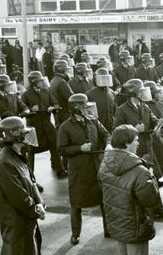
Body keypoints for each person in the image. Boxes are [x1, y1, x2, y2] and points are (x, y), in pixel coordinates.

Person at [98, 124, 161, 255]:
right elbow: (152, 201)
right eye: (136, 140)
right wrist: (151, 177)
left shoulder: (104, 164)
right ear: (127, 143)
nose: (138, 144)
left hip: (117, 224)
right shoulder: (139, 170)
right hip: (136, 227)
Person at [57, 93, 110, 245]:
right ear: (76, 109)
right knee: (76, 203)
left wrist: (107, 144)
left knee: (103, 200)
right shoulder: (65, 127)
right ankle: (75, 234)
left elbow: (105, 134)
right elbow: (61, 149)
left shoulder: (92, 120)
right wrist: (79, 148)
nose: (88, 109)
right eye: (84, 106)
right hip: (79, 170)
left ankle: (108, 229)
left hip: (96, 166)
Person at [0, 116, 45, 255]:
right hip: (17, 224)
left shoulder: (18, 156)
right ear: (13, 137)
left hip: (27, 219)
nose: (27, 135)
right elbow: (18, 196)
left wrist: (39, 203)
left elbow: (32, 182)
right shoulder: (4, 163)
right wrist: (35, 210)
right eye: (24, 133)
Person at [21, 71, 66, 178]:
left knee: (54, 146)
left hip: (47, 124)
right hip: (33, 126)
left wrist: (53, 107)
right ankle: (31, 176)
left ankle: (60, 169)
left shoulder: (46, 91)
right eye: (39, 81)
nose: (42, 82)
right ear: (34, 82)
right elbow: (22, 110)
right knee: (31, 151)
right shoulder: (26, 95)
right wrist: (31, 110)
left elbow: (56, 103)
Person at [50, 60, 74, 127]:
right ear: (62, 70)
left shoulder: (54, 80)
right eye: (66, 70)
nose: (67, 72)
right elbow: (70, 97)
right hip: (64, 111)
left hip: (58, 111)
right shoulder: (62, 82)